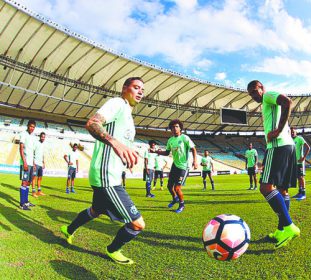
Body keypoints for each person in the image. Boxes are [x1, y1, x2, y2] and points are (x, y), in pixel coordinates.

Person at [60, 77, 145, 265]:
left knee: (95, 210)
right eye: (136, 87)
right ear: (124, 88)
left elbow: (121, 144)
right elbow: (92, 123)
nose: (140, 92)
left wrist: (126, 155)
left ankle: (68, 229)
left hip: (108, 174)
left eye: (142, 90)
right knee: (137, 224)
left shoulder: (129, 118)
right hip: (106, 176)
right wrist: (114, 142)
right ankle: (112, 250)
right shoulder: (117, 103)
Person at [247, 80, 300, 249]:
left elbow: (287, 102)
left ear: (262, 89)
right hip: (287, 146)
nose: (254, 95)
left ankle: (289, 226)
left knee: (265, 187)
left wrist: (277, 130)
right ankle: (281, 230)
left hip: (278, 146)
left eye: (256, 91)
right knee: (283, 189)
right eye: (251, 94)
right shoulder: (267, 104)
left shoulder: (269, 96)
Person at [155, 119, 198, 213]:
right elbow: (167, 152)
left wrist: (195, 161)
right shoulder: (170, 140)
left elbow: (193, 149)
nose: (175, 128)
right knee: (169, 186)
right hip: (175, 165)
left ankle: (182, 204)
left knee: (177, 188)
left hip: (183, 166)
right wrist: (157, 151)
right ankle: (175, 199)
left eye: (177, 126)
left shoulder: (184, 138)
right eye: (173, 127)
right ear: (171, 129)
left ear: (180, 128)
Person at [19, 120, 37, 210]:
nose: (32, 128)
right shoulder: (23, 134)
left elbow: (32, 151)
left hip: (30, 163)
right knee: (24, 182)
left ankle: (26, 201)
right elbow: (21, 149)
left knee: (29, 182)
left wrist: (33, 163)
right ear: (27, 126)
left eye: (33, 127)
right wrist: (24, 162)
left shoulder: (33, 137)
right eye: (31, 126)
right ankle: (22, 204)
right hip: (25, 163)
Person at [291, 127, 310, 200]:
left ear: (296, 132)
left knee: (301, 177)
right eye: (291, 132)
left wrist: (303, 157)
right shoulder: (290, 140)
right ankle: (299, 192)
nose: (292, 133)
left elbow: (308, 147)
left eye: (293, 132)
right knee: (298, 178)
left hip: (300, 162)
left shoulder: (300, 138)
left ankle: (304, 194)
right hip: (294, 163)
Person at [31, 132, 46, 197]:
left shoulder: (43, 145)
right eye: (42, 137)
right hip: (36, 163)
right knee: (34, 177)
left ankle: (39, 191)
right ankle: (33, 192)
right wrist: (33, 163)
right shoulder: (36, 143)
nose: (43, 138)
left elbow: (42, 155)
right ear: (40, 137)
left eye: (44, 137)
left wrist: (43, 163)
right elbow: (32, 152)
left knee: (40, 178)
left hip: (40, 164)